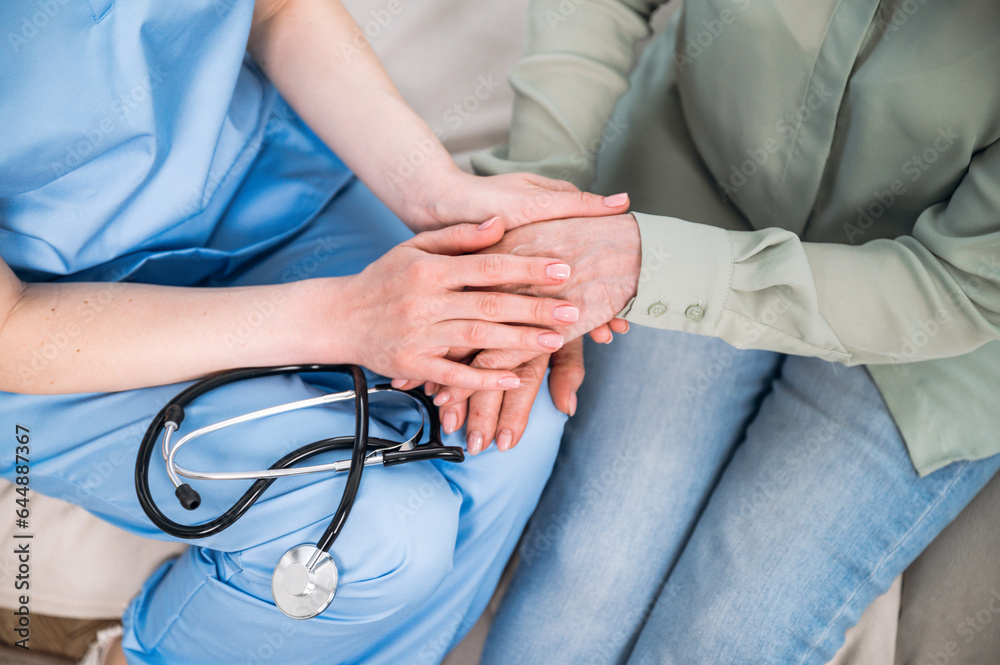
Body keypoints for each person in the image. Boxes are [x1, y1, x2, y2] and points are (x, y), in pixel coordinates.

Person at [0, 1, 631, 663]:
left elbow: (278, 8)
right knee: (364, 544)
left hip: (268, 183)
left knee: (508, 412)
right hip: (50, 331)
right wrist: (346, 318)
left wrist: (437, 194)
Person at [418, 0, 1000, 663]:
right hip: (697, 195)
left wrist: (644, 267)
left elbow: (965, 283)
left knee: (722, 641)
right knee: (584, 580)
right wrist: (543, 221)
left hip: (930, 335)